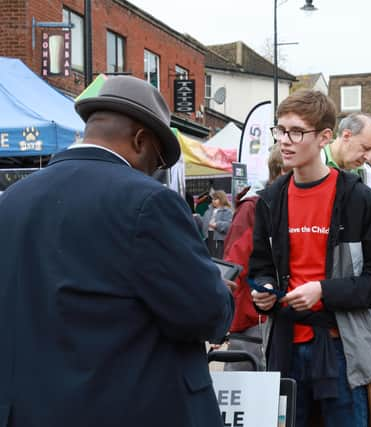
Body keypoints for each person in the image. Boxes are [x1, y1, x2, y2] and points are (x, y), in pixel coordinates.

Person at [0, 76, 234, 427]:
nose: (154, 172)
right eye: (156, 160)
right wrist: (219, 292)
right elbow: (203, 312)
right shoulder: (147, 201)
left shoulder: (13, 201)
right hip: (129, 408)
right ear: (140, 140)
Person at [249, 89, 371, 427]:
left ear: (324, 137)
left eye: (296, 132)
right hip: (285, 346)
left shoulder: (361, 201)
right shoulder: (270, 200)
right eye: (280, 130)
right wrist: (264, 289)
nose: (285, 141)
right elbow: (258, 266)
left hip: (340, 349)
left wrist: (323, 291)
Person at [222, 144, 286, 371]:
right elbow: (234, 266)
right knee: (250, 396)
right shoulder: (253, 208)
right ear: (280, 172)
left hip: (279, 319)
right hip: (254, 322)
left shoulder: (282, 204)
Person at [322, 112, 371, 189]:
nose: (368, 157)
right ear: (346, 136)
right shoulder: (312, 162)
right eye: (365, 148)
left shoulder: (366, 173)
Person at [206, 190, 233, 258]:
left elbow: (229, 225)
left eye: (216, 199)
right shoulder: (209, 210)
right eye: (213, 199)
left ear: (221, 199)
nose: (213, 201)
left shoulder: (227, 210)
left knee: (218, 258)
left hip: (219, 239)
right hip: (209, 236)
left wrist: (216, 225)